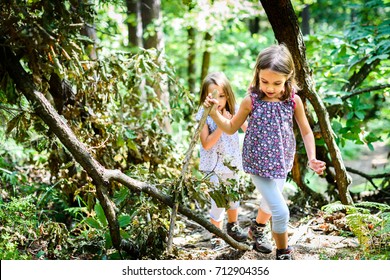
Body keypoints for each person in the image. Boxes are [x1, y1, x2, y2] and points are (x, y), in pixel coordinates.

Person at [203, 44, 326, 259]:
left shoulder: (293, 100)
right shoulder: (251, 101)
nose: (270, 87)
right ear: (257, 75)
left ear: (288, 77)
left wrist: (312, 157)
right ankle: (283, 253)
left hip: (281, 161)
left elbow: (306, 132)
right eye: (265, 81)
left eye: (277, 83)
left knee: (269, 204)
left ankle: (257, 228)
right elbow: (231, 127)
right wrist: (214, 114)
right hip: (257, 163)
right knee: (281, 211)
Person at [196, 72, 248, 249]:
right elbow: (207, 144)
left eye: (222, 96)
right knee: (217, 202)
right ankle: (216, 235)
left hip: (232, 163)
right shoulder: (203, 115)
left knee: (234, 198)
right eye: (213, 96)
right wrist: (222, 123)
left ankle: (233, 226)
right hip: (213, 167)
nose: (218, 101)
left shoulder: (233, 111)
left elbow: (247, 128)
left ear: (228, 96)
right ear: (206, 97)